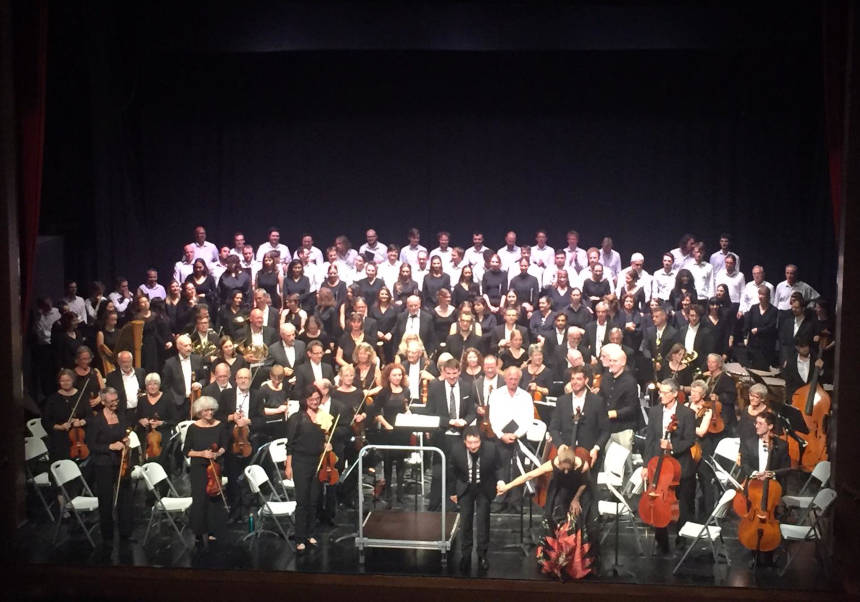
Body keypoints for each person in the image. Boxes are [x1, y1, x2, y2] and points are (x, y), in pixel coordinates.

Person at [498, 444, 595, 577]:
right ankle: (553, 563)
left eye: (569, 469)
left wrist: (576, 499)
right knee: (553, 522)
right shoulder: (553, 464)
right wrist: (507, 486)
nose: (566, 472)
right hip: (559, 491)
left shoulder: (582, 466)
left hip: (576, 492)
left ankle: (571, 564)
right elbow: (529, 475)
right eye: (563, 469)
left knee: (572, 527)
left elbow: (585, 482)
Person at [642, 379, 696, 554]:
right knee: (658, 500)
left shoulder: (687, 413)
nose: (661, 395)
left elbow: (690, 440)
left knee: (683, 505)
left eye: (665, 392)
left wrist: (672, 446)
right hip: (659, 465)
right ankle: (661, 541)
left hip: (681, 466)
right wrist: (645, 465)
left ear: (674, 394)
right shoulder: (655, 412)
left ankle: (681, 541)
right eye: (660, 392)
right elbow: (650, 440)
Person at [448, 426, 506, 574]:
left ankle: (482, 555)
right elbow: (452, 471)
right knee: (466, 521)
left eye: (476, 442)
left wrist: (500, 481)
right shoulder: (456, 450)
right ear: (464, 442)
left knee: (483, 522)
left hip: (484, 487)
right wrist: (453, 491)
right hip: (465, 488)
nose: (473, 446)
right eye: (469, 443)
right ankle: (466, 555)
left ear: (481, 440)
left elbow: (498, 467)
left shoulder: (491, 449)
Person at [426, 358, 476, 510]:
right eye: (449, 374)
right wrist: (450, 422)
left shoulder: (467, 387)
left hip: (460, 435)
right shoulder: (435, 386)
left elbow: (472, 413)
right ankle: (434, 503)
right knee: (439, 470)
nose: (452, 377)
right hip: (442, 435)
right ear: (443, 372)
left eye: (455, 373)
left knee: (458, 470)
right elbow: (430, 413)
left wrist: (464, 422)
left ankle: (454, 502)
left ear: (459, 372)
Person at [86, 387, 133, 545]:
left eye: (116, 400)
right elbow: (91, 445)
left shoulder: (121, 415)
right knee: (106, 499)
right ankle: (107, 535)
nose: (115, 404)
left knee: (124, 496)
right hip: (103, 464)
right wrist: (109, 447)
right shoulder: (96, 420)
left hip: (121, 463)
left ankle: (125, 532)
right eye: (111, 401)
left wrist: (126, 440)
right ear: (104, 401)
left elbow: (125, 434)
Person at [183, 395, 229, 548]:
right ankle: (198, 532)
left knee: (213, 500)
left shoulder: (220, 426)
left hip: (215, 467)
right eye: (206, 411)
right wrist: (202, 453)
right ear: (199, 412)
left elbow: (224, 446)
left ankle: (212, 531)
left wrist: (217, 454)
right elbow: (186, 451)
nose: (210, 413)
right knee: (199, 499)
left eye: (211, 410)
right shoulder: (193, 428)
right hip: (198, 468)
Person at [487, 366, 535, 512]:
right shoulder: (496, 394)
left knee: (518, 468)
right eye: (510, 378)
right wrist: (502, 435)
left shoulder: (526, 396)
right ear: (505, 379)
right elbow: (492, 418)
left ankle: (516, 500)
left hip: (519, 437)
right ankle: (500, 499)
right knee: (500, 466)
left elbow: (529, 419)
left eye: (516, 379)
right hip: (501, 435)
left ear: (519, 380)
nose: (513, 381)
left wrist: (517, 435)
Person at [368, 363, 412, 504]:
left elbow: (406, 408)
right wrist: (387, 425)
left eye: (400, 375)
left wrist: (409, 414)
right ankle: (388, 494)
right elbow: (376, 412)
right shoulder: (384, 392)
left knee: (401, 462)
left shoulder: (406, 390)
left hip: (403, 431)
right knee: (388, 462)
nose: (397, 377)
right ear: (388, 376)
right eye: (394, 375)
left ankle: (400, 492)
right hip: (388, 431)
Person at [549, 366, 609, 467]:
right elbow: (553, 428)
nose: (575, 382)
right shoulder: (562, 401)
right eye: (572, 379)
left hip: (588, 451)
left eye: (579, 379)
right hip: (565, 451)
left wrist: (596, 448)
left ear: (586, 380)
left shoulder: (597, 402)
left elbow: (605, 430)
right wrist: (559, 444)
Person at [597, 344, 639, 454]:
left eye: (615, 361)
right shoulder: (605, 378)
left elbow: (632, 408)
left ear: (623, 363)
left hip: (623, 430)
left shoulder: (630, 382)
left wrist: (614, 413)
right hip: (606, 429)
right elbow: (601, 400)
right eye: (610, 360)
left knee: (624, 465)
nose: (611, 363)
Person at [135, 373, 176, 464]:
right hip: (146, 435)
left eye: (155, 384)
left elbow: (174, 420)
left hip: (163, 434)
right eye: (149, 384)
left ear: (159, 385)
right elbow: (136, 418)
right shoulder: (142, 400)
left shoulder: (167, 399)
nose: (152, 387)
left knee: (162, 461)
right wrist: (141, 420)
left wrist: (161, 423)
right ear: (146, 386)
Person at [743, 285, 779, 370]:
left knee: (763, 370)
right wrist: (745, 336)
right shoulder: (754, 308)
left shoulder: (774, 310)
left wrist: (758, 330)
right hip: (753, 345)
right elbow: (748, 323)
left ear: (768, 296)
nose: (760, 297)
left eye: (763, 295)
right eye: (759, 294)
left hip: (766, 346)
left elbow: (772, 327)